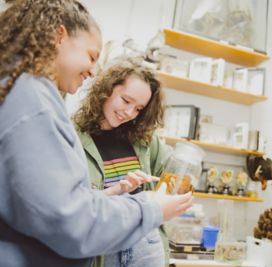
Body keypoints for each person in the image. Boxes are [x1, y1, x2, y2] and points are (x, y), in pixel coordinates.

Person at [0, 1, 192, 267]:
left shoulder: (27, 93)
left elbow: (57, 203)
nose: (91, 70)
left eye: (139, 108)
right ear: (59, 36)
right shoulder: (34, 102)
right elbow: (70, 221)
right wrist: (152, 207)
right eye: (91, 56)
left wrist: (114, 193)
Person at [73, 59, 172, 267]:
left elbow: (172, 173)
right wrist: (117, 190)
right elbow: (72, 205)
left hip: (147, 242)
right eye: (126, 101)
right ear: (106, 90)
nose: (129, 113)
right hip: (105, 245)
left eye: (138, 109)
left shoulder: (144, 139)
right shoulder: (72, 136)